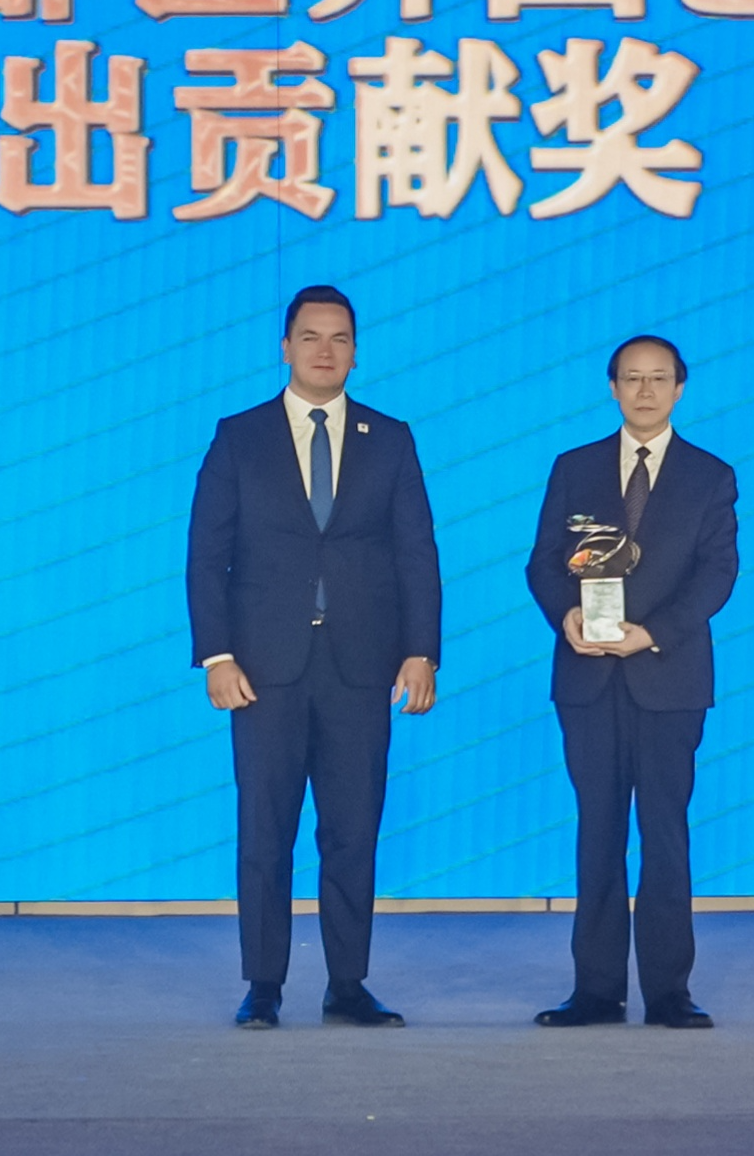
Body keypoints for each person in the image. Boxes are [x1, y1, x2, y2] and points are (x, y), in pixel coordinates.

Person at [187, 285, 442, 1029]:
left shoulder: (389, 438)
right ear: (285, 348)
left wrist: (421, 651)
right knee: (265, 831)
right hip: (263, 669)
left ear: (356, 351)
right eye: (310, 337)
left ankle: (348, 984)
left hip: (361, 667)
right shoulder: (240, 436)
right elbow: (206, 555)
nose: (324, 350)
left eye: (339, 338)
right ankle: (263, 984)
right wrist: (217, 656)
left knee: (352, 831)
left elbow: (416, 552)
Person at [524, 335, 738, 1029]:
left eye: (659, 378)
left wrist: (652, 632)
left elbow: (717, 574)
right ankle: (595, 990)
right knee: (598, 832)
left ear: (680, 388)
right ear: (612, 387)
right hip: (587, 677)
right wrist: (565, 615)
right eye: (632, 378)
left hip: (668, 676)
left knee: (665, 833)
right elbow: (543, 563)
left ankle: (669, 991)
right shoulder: (574, 467)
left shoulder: (710, 475)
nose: (645, 391)